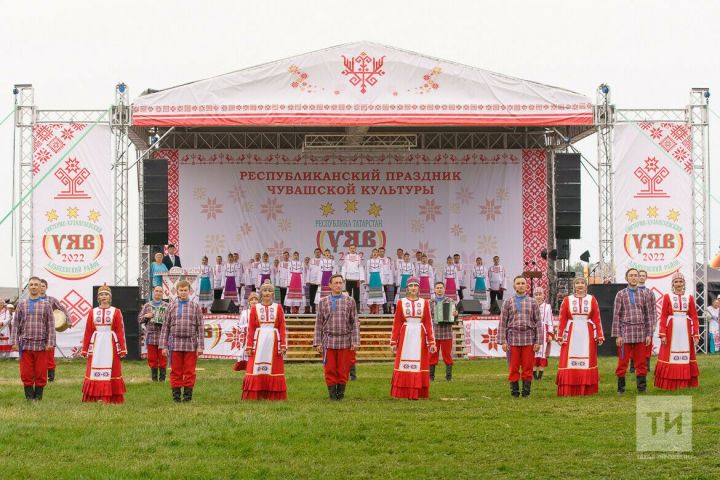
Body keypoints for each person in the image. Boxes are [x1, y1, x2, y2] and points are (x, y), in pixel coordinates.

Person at [314, 274, 360, 400]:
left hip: (345, 340)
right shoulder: (323, 302)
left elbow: (354, 322)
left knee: (343, 369)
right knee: (330, 369)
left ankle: (340, 394)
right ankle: (332, 395)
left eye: (340, 283)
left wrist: (355, 341)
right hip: (328, 341)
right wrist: (317, 342)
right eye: (335, 283)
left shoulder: (350, 301)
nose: (338, 285)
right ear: (330, 285)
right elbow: (318, 323)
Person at [555, 278, 604, 396]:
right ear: (574, 286)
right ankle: (569, 389)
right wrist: (560, 335)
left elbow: (597, 318)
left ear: (586, 285)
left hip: (587, 332)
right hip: (571, 331)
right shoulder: (567, 300)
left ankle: (586, 389)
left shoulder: (592, 299)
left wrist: (600, 335)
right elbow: (562, 319)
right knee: (568, 360)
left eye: (582, 283)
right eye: (577, 283)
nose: (580, 285)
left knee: (587, 358)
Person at [390, 277, 437, 399]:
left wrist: (431, 341)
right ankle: (402, 392)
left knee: (419, 362)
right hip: (405, 335)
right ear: (407, 288)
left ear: (419, 288)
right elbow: (397, 323)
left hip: (419, 335)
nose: (413, 288)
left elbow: (428, 322)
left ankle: (417, 392)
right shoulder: (401, 302)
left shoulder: (425, 302)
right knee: (404, 362)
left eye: (415, 285)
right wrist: (394, 341)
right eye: (411, 286)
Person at [80, 284, 127, 403]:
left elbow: (120, 331)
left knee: (113, 368)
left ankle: (111, 397)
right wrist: (85, 349)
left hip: (110, 342)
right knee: (94, 368)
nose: (104, 296)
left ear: (110, 297)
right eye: (101, 294)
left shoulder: (116, 311)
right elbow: (88, 331)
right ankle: (95, 396)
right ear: (98, 298)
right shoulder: (92, 312)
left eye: (106, 294)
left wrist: (122, 348)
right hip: (96, 343)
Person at [10, 277, 54, 400]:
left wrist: (50, 342)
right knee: (26, 373)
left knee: (40, 372)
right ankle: (29, 398)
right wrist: (14, 342)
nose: (34, 287)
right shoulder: (21, 304)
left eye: (36, 285)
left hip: (41, 345)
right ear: (28, 287)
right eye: (31, 284)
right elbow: (16, 324)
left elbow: (50, 325)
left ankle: (38, 397)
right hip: (25, 345)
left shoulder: (46, 305)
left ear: (40, 287)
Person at [654, 272, 700, 390]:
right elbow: (663, 316)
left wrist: (695, 334)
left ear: (684, 283)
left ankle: (685, 383)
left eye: (680, 281)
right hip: (671, 331)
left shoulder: (689, 297)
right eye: (676, 282)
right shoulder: (667, 296)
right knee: (669, 355)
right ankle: (669, 383)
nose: (678, 284)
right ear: (672, 284)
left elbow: (694, 317)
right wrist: (662, 333)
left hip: (685, 330)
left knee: (686, 353)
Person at [160, 280, 204, 403]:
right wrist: (163, 346)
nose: (183, 292)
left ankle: (187, 397)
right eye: (181, 290)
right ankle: (176, 397)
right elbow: (165, 327)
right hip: (175, 344)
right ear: (177, 291)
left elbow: (200, 327)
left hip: (191, 344)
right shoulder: (171, 306)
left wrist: (200, 346)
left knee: (189, 371)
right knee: (176, 371)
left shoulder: (195, 306)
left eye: (185, 290)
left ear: (189, 291)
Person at [242, 282, 288, 400]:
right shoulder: (255, 308)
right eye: (264, 290)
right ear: (261, 293)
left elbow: (282, 327)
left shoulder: (278, 307)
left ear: (273, 293)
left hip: (274, 340)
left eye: (269, 290)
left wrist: (283, 344)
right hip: (258, 341)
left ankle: (273, 395)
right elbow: (251, 328)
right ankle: (255, 394)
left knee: (274, 367)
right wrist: (249, 346)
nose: (267, 293)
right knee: (254, 367)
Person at [498, 276, 542, 398]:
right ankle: (515, 392)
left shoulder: (533, 302)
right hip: (513, 339)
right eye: (518, 283)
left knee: (528, 366)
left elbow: (538, 322)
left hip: (529, 338)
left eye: (523, 283)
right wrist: (503, 341)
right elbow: (503, 322)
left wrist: (538, 341)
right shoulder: (508, 302)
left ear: (527, 286)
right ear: (514, 286)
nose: (521, 285)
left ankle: (526, 393)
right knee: (513, 367)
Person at [612, 268, 654, 394]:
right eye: (631, 275)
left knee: (641, 361)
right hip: (625, 333)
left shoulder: (645, 294)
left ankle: (642, 388)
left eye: (636, 275)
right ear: (626, 278)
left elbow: (648, 315)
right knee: (623, 361)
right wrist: (617, 335)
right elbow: (616, 315)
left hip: (641, 333)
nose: (634, 277)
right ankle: (621, 388)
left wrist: (649, 334)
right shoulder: (620, 294)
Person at [39, 278, 70, 382]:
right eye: (39, 286)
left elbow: (63, 309)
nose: (41, 288)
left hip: (49, 332)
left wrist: (68, 321)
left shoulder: (52, 300)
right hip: (35, 332)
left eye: (43, 286)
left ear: (46, 288)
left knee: (49, 355)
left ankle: (50, 378)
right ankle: (39, 376)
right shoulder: (31, 300)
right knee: (37, 356)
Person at [138, 285, 169, 382]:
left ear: (162, 293)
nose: (158, 293)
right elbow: (139, 319)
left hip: (163, 336)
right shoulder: (147, 305)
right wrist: (146, 316)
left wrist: (165, 320)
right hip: (151, 335)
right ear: (153, 292)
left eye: (160, 291)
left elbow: (171, 320)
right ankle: (154, 379)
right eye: (157, 291)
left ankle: (162, 379)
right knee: (152, 358)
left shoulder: (167, 306)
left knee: (163, 358)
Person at [429, 281, 458, 381]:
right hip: (434, 333)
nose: (439, 289)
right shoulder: (430, 302)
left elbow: (454, 320)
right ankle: (431, 377)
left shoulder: (450, 301)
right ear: (434, 289)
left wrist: (455, 315)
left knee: (447, 355)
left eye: (441, 287)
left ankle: (449, 377)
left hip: (447, 333)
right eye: (437, 288)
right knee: (433, 355)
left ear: (444, 289)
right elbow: (428, 318)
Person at [532, 287, 555, 381]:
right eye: (536, 295)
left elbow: (550, 321)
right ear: (534, 296)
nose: (538, 296)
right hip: (533, 331)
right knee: (533, 352)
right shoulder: (531, 305)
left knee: (542, 353)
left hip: (544, 331)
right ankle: (534, 374)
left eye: (540, 294)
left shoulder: (547, 306)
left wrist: (550, 334)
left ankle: (540, 375)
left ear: (543, 295)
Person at [636, 269, 657, 373]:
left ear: (646, 277)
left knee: (648, 344)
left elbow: (654, 309)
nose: (642, 277)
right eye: (640, 275)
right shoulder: (632, 291)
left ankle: (647, 365)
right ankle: (633, 366)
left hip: (647, 322)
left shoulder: (650, 293)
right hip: (635, 322)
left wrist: (654, 323)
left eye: (644, 275)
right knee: (634, 343)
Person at [233, 291, 258, 372]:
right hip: (248, 336)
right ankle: (247, 365)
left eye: (255, 299)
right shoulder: (245, 313)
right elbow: (239, 325)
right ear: (249, 302)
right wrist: (247, 328)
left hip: (258, 336)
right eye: (252, 300)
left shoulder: (260, 312)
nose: (254, 301)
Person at [342, 244, 365, 309]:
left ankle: (357, 310)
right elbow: (344, 267)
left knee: (356, 295)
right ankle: (347, 309)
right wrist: (343, 277)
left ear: (355, 249)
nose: (352, 249)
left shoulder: (358, 257)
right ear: (349, 249)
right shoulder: (346, 257)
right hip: (348, 278)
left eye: (354, 248)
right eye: (351, 248)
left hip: (356, 279)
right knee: (348, 295)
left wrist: (362, 278)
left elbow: (360, 267)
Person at [366, 248, 386, 314]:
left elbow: (382, 271)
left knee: (378, 295)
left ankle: (377, 310)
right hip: (371, 278)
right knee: (371, 295)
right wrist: (368, 281)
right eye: (373, 252)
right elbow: (367, 271)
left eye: (376, 252)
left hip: (378, 278)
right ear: (372, 253)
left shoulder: (380, 261)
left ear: (378, 253)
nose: (375, 253)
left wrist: (381, 281)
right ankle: (371, 310)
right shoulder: (369, 261)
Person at [379, 247, 395, 314]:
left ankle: (388, 310)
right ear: (378, 252)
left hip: (387, 281)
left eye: (383, 251)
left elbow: (390, 270)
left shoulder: (388, 260)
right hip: (379, 280)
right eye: (380, 251)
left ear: (384, 252)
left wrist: (390, 280)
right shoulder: (376, 260)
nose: (382, 252)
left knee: (388, 295)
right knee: (381, 295)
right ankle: (382, 310)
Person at [308, 248, 323, 314]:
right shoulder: (311, 260)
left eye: (319, 252)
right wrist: (308, 280)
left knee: (320, 296)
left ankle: (321, 311)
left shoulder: (323, 261)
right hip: (312, 281)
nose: (317, 253)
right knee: (312, 295)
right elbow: (309, 270)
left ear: (320, 253)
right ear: (314, 253)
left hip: (320, 282)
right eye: (316, 252)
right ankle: (313, 310)